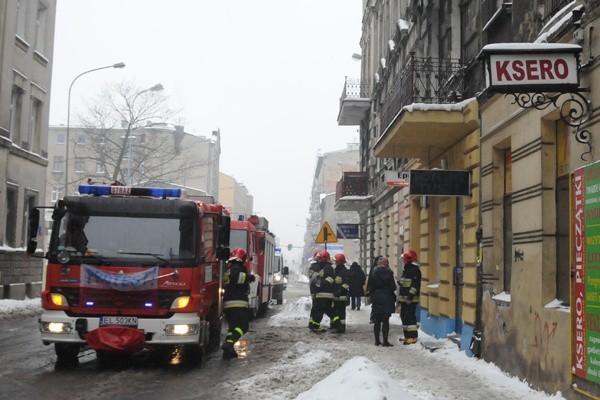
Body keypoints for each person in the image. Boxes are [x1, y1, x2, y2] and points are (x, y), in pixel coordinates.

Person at [221, 247, 255, 359]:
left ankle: (228, 351)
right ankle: (229, 344)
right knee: (243, 326)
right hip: (237, 302)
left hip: (229, 303)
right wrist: (249, 277)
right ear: (242, 258)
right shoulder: (236, 268)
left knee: (232, 328)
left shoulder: (229, 268)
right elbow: (237, 278)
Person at [367, 257, 397, 347]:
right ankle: (385, 341)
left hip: (377, 298)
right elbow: (393, 287)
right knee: (385, 320)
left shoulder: (374, 272)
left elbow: (371, 286)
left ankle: (377, 341)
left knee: (377, 320)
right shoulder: (389, 272)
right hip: (387, 298)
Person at [397, 250, 422, 345]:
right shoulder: (408, 270)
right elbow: (407, 283)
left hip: (410, 300)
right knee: (404, 316)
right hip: (405, 298)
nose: (403, 261)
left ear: (408, 259)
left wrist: (410, 297)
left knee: (410, 317)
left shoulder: (414, 270)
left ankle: (413, 337)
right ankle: (407, 336)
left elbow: (415, 285)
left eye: (404, 259)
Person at [308, 250, 335, 333]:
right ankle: (314, 325)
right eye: (318, 258)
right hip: (319, 292)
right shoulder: (320, 267)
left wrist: (319, 286)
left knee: (318, 310)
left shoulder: (325, 268)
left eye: (320, 259)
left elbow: (327, 280)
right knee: (318, 310)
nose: (319, 260)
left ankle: (314, 325)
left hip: (322, 293)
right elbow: (315, 279)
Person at [331, 253, 350, 333]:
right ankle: (335, 325)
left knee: (341, 313)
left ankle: (341, 327)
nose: (335, 263)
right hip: (335, 297)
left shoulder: (345, 272)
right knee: (334, 312)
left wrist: (340, 291)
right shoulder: (336, 271)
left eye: (336, 261)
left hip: (341, 297)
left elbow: (346, 284)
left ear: (339, 262)